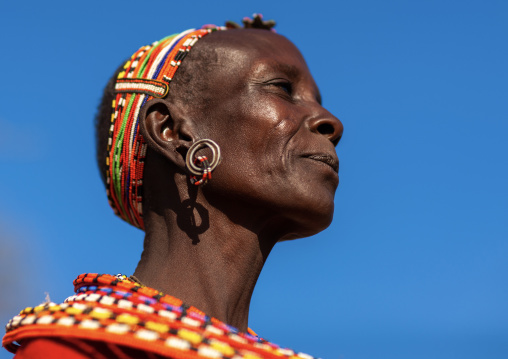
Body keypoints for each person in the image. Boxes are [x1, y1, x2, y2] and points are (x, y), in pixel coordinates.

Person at [2, 14, 343, 358]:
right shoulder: (78, 351)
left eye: (316, 98)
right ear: (174, 133)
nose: (331, 122)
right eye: (282, 88)